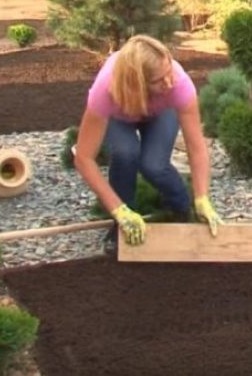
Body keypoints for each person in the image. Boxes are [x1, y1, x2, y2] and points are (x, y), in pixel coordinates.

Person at [73, 34, 222, 251]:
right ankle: (124, 223)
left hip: (160, 113)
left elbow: (196, 146)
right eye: (158, 80)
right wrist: (117, 210)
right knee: (125, 153)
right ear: (137, 82)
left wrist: (202, 196)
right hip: (120, 117)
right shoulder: (105, 91)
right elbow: (83, 159)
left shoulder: (178, 84)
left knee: (154, 165)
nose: (169, 81)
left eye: (168, 71)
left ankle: (182, 208)